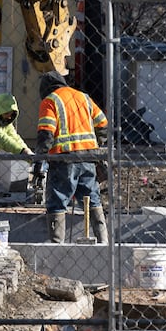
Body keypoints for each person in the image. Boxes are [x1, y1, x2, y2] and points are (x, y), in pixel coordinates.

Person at [33, 71, 109, 244]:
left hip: (63, 161)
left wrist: (39, 162)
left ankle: (56, 244)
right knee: (92, 199)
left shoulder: (50, 101)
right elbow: (103, 124)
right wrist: (94, 143)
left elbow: (46, 134)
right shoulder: (84, 97)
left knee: (58, 201)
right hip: (88, 159)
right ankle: (103, 241)